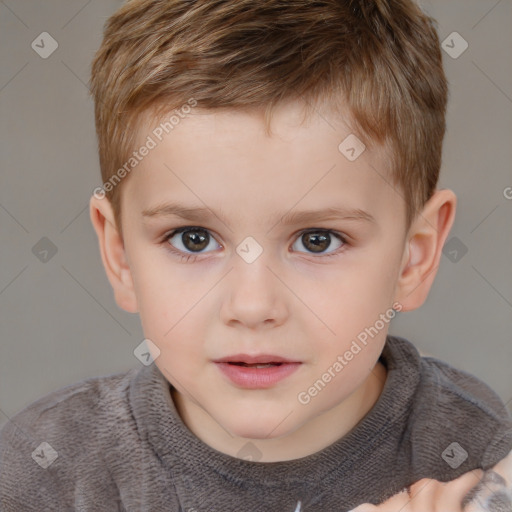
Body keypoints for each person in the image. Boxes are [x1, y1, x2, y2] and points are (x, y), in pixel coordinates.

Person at [1, 0, 511, 510]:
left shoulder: (476, 457)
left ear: (412, 258)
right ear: (120, 254)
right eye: (193, 239)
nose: (251, 305)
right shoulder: (42, 474)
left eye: (318, 240)